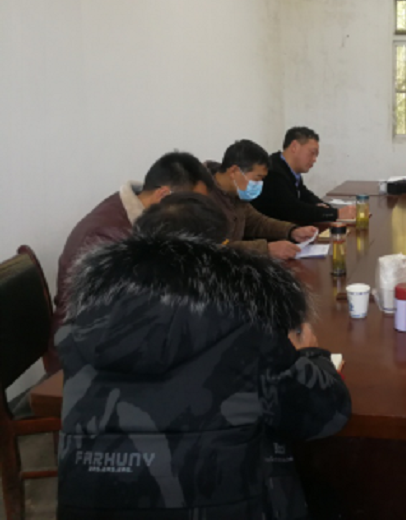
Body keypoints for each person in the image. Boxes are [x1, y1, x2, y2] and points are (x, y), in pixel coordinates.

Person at [56, 192, 351, 520]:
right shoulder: (248, 326)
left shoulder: (82, 331)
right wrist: (310, 354)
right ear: (221, 252)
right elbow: (324, 414)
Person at [46, 151, 214, 373]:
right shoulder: (109, 234)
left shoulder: (141, 214)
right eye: (193, 205)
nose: (196, 214)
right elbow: (111, 326)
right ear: (164, 195)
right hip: (81, 361)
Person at [206, 139, 318, 260]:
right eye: (257, 178)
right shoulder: (202, 198)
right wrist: (266, 249)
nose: (259, 184)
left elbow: (257, 222)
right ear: (234, 171)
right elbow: (214, 247)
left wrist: (292, 231)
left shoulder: (236, 193)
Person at [251, 127, 356, 224]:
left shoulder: (289, 170)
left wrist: (326, 207)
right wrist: (336, 214)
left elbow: (305, 195)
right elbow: (294, 210)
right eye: (312, 153)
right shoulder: (273, 172)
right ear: (294, 147)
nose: (314, 159)